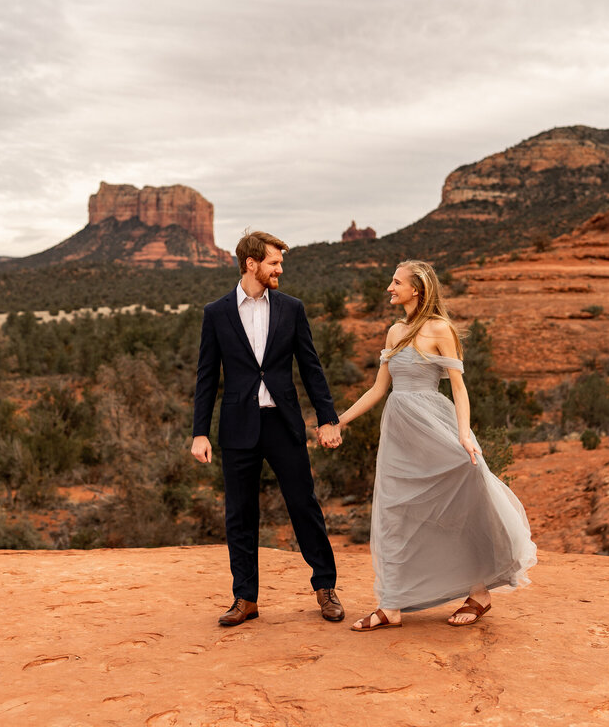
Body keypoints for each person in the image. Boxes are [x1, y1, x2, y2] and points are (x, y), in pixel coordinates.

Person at [337, 259, 536, 631]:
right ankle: (392, 606)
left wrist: (463, 434)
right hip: (399, 431)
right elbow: (379, 389)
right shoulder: (394, 332)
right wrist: (340, 420)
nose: (389, 288)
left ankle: (480, 592)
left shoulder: (440, 329)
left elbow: (459, 388)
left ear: (418, 289)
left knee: (459, 499)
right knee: (396, 513)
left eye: (396, 282)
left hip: (433, 424)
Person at [191, 230, 346, 627]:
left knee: (303, 505)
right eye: (274, 263)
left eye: (280, 263)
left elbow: (311, 367)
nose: (280, 269)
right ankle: (245, 598)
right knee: (239, 514)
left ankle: (325, 588)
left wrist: (327, 417)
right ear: (251, 264)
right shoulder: (217, 312)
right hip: (238, 426)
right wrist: (200, 432)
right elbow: (207, 376)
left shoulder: (292, 308)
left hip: (283, 421)